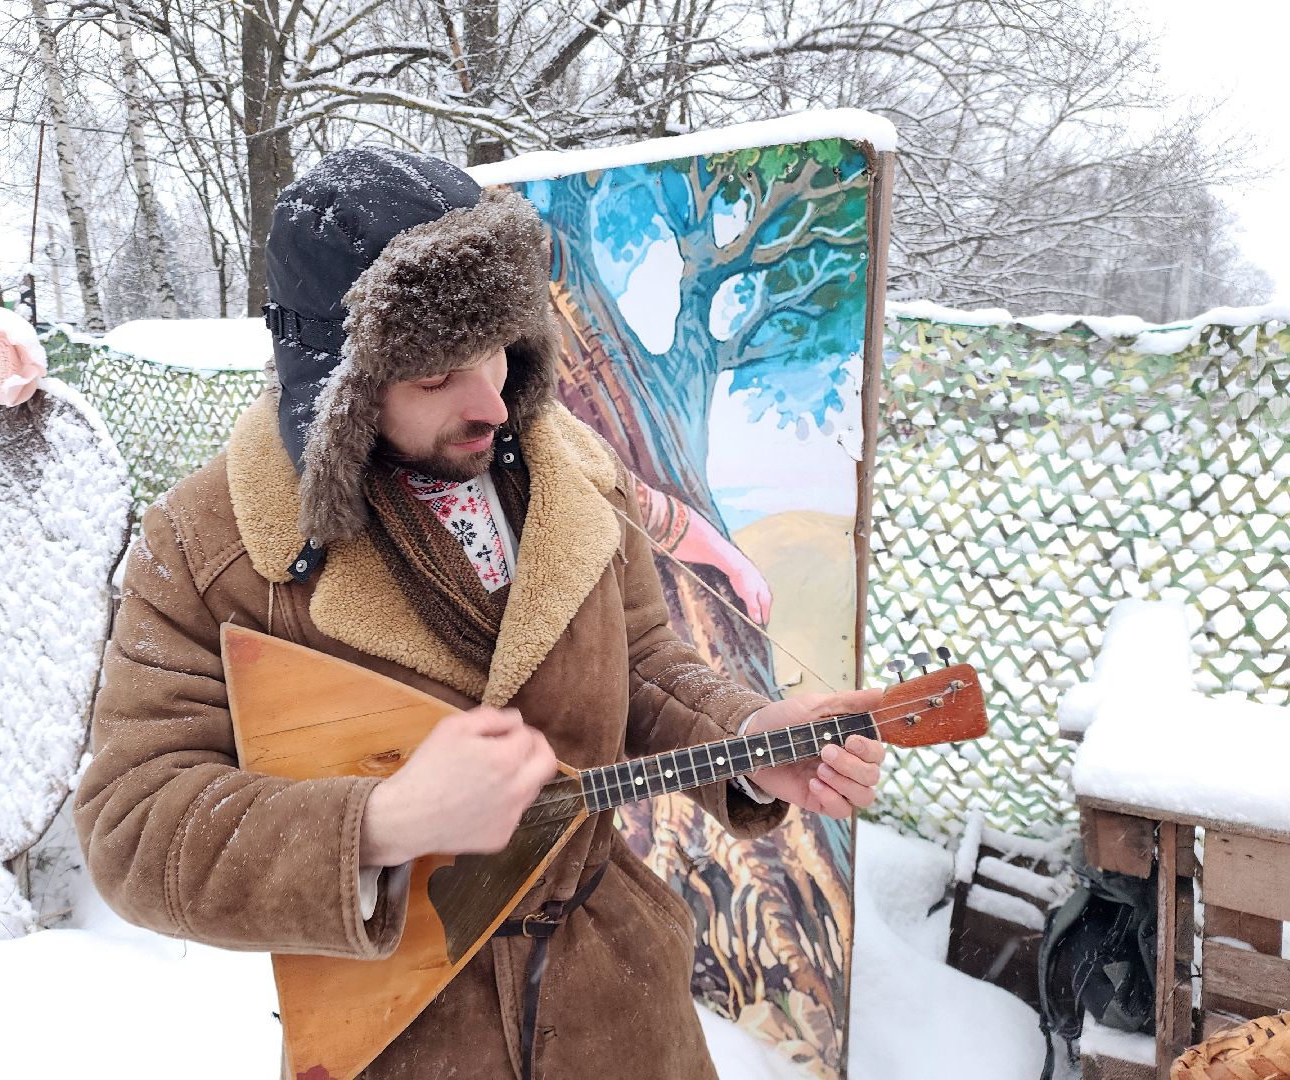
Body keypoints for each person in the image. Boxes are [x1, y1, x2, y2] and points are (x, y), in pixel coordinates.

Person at [73, 146, 886, 1080]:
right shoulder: (209, 545)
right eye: (434, 375)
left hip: (622, 1012)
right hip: (405, 1033)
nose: (494, 401)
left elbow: (643, 662)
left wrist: (747, 732)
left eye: (498, 347)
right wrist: (377, 823)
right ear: (335, 388)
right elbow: (133, 827)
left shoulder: (568, 475)